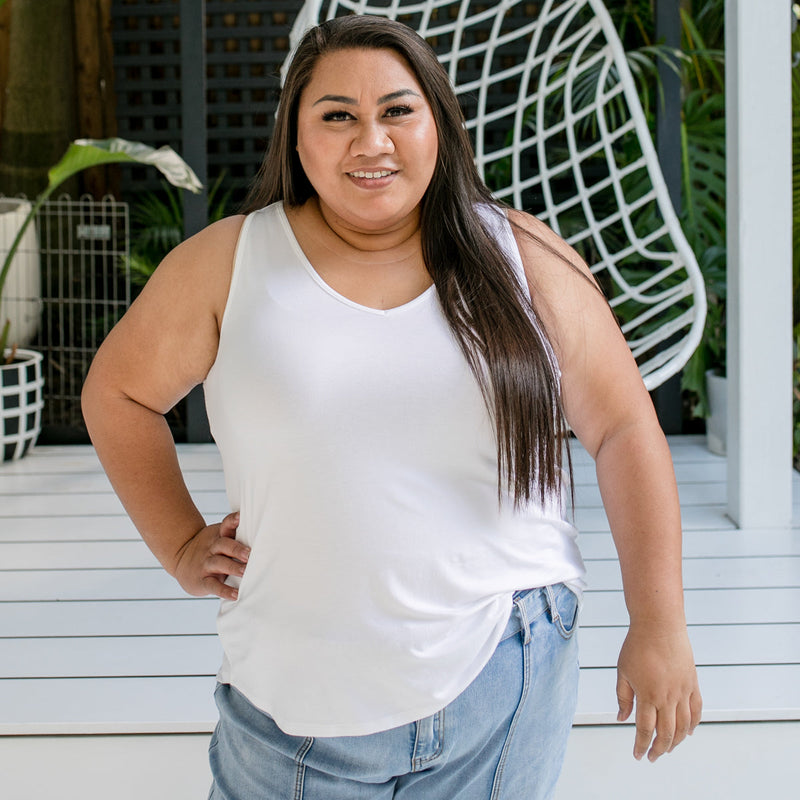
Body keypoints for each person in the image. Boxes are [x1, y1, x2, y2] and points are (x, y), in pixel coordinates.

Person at [81, 14, 702, 800]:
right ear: (297, 141)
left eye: (397, 112)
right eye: (337, 115)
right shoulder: (228, 262)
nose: (370, 140)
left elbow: (622, 429)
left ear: (437, 123)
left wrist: (660, 622)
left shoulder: (525, 257)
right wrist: (177, 543)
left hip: (502, 674)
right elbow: (118, 393)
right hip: (293, 701)